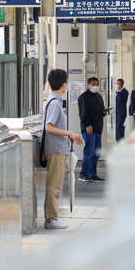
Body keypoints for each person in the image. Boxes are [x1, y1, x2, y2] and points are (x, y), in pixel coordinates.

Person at [43, 69, 83, 230]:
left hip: (58, 148)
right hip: (56, 150)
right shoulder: (54, 104)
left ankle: (52, 217)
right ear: (64, 84)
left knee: (56, 184)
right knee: (54, 185)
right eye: (66, 82)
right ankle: (51, 218)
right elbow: (48, 127)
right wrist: (69, 133)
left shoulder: (54, 101)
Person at [78, 77, 108, 182]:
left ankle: (93, 173)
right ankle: (84, 173)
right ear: (88, 85)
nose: (96, 86)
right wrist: (87, 125)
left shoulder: (99, 97)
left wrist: (103, 112)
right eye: (93, 84)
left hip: (98, 128)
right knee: (89, 152)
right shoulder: (84, 97)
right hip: (89, 128)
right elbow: (83, 113)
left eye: (97, 84)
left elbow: (99, 112)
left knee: (96, 153)